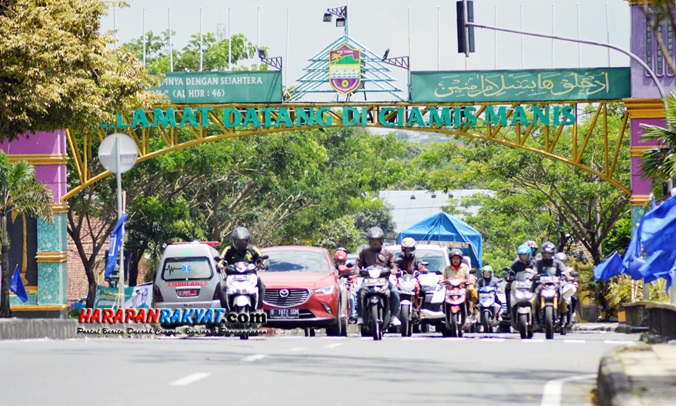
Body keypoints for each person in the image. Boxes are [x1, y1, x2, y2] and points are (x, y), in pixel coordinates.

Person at [355, 226, 401, 326]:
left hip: (384, 281)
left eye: (377, 240)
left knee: (395, 292)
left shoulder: (388, 253)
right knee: (359, 293)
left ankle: (393, 316)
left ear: (381, 240)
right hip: (368, 281)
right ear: (369, 241)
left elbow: (394, 266)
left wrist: (393, 270)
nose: (374, 242)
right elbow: (357, 265)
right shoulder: (364, 252)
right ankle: (360, 316)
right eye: (372, 240)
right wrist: (357, 271)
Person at [218, 227, 266, 310]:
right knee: (220, 285)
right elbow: (221, 260)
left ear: (247, 241)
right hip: (232, 276)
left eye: (243, 241)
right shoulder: (229, 250)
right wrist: (220, 266)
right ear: (233, 241)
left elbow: (262, 258)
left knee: (261, 285)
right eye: (238, 241)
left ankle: (259, 307)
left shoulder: (252, 249)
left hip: (250, 275)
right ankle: (225, 308)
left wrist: (261, 264)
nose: (240, 244)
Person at [534, 241, 569, 316]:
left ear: (553, 253)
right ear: (542, 253)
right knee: (533, 296)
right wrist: (533, 275)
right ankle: (535, 313)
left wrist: (565, 275)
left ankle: (563, 315)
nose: (547, 256)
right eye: (546, 254)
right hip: (542, 285)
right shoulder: (538, 263)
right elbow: (534, 271)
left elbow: (564, 270)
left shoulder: (557, 262)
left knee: (563, 296)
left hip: (555, 285)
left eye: (549, 254)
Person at [506, 244, 537, 312]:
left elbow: (539, 270)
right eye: (521, 256)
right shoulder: (516, 264)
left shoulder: (535, 263)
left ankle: (540, 312)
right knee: (507, 288)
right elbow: (510, 271)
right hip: (519, 285)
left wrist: (536, 276)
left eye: (525, 255)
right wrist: (508, 276)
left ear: (529, 254)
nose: (524, 257)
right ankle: (509, 309)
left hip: (532, 285)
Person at [397, 237, 425, 313]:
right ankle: (393, 309)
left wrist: (422, 269)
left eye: (410, 249)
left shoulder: (416, 259)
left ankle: (420, 309)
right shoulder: (400, 258)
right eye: (406, 249)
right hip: (401, 280)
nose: (408, 251)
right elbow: (395, 266)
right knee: (393, 291)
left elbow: (420, 266)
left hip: (413, 279)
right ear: (403, 249)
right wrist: (394, 270)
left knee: (423, 291)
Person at [334, 248, 358, 322]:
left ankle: (352, 315)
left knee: (351, 297)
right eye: (338, 261)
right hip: (336, 289)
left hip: (347, 288)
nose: (340, 263)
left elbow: (353, 278)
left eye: (342, 262)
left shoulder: (348, 268)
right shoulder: (332, 269)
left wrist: (351, 286)